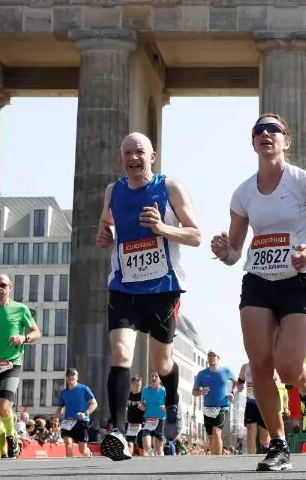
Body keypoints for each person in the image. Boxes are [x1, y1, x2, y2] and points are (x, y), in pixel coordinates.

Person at [210, 113, 306, 471]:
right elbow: (235, 252)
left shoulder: (302, 182)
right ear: (253, 142)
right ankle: (278, 444)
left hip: (299, 281)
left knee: (287, 366)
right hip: (258, 280)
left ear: (286, 141)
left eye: (274, 129)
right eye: (259, 130)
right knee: (259, 366)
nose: (266, 134)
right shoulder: (243, 193)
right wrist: (225, 251)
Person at [94, 132, 202, 462]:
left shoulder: (170, 189)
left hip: (162, 289)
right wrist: (104, 234)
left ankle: (172, 400)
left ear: (152, 157)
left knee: (161, 363)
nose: (133, 157)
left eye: (139, 151)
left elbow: (196, 235)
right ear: (121, 159)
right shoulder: (113, 191)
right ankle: (118, 432)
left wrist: (162, 229)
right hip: (124, 286)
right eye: (127, 153)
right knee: (120, 352)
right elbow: (106, 223)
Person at [0, 273, 41, 459]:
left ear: (10, 287)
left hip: (11, 363)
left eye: (3, 285)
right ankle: (5, 453)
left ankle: (12, 436)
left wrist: (24, 338)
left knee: (3, 406)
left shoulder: (20, 309)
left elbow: (36, 332)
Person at [192, 350, 236, 456]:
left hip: (222, 407)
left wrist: (232, 392)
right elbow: (194, 391)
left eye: (214, 356)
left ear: (218, 358)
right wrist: (201, 392)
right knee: (211, 437)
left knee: (216, 432)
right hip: (207, 409)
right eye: (209, 356)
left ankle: (218, 460)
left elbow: (236, 382)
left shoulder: (226, 371)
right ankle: (213, 458)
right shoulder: (201, 374)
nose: (211, 358)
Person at [54, 368, 97, 458]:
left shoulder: (84, 389)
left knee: (82, 450)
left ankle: (88, 453)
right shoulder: (64, 393)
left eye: (73, 375)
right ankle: (70, 464)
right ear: (66, 378)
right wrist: (57, 416)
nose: (71, 377)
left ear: (77, 377)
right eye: (69, 375)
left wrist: (86, 413)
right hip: (68, 422)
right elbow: (59, 407)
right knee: (68, 443)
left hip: (81, 421)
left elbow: (94, 403)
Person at [235, 362, 269, 454]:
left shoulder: (269, 364)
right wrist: (239, 386)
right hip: (251, 403)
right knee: (250, 430)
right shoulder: (245, 367)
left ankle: (267, 452)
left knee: (264, 439)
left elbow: (277, 379)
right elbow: (240, 382)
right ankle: (251, 457)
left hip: (265, 404)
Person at [139, 372, 167, 457]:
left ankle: (159, 461)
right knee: (146, 446)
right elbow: (143, 403)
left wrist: (165, 407)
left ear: (160, 379)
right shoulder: (145, 390)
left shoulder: (164, 390)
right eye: (152, 376)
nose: (154, 378)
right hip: (148, 420)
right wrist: (141, 406)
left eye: (156, 376)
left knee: (159, 448)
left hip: (160, 420)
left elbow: (169, 405)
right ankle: (152, 457)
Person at [124, 376, 144, 455]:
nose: (137, 387)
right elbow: (124, 407)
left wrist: (144, 407)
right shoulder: (127, 395)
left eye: (139, 385)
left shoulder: (143, 395)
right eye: (136, 385)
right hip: (131, 424)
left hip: (141, 423)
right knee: (129, 444)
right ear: (131, 384)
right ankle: (129, 460)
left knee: (141, 448)